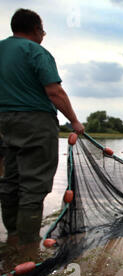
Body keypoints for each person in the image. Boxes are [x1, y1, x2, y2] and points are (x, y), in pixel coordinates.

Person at [0, 9, 85, 248]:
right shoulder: (36, 51)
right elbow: (54, 91)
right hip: (35, 123)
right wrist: (75, 121)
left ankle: (12, 237)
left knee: (9, 181)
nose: (43, 35)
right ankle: (28, 249)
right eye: (43, 30)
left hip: (4, 124)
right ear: (36, 29)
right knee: (33, 186)